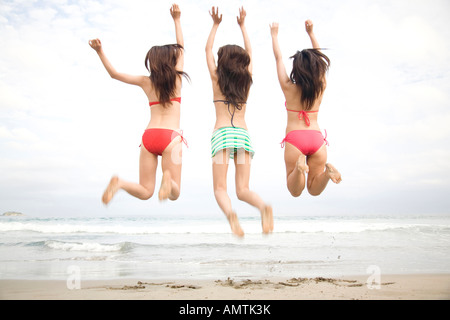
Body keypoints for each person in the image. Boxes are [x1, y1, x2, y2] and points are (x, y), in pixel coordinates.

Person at [89, 4, 189, 205]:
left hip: (149, 137)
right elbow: (181, 48)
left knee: (145, 191)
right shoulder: (177, 80)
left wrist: (99, 51)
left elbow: (114, 74)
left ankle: (120, 183)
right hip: (172, 138)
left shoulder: (146, 82)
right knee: (175, 194)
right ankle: (168, 182)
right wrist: (177, 20)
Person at [206, 6, 273, 237]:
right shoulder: (246, 81)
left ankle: (231, 215)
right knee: (243, 189)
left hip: (222, 133)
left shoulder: (216, 79)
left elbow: (206, 49)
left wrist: (215, 24)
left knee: (220, 188)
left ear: (221, 62)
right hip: (243, 134)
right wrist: (243, 25)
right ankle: (263, 207)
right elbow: (251, 53)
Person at [270, 20, 342, 198]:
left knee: (295, 190)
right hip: (317, 139)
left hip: (296, 139)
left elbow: (278, 58)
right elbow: (319, 59)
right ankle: (327, 173)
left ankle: (299, 169)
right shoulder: (321, 86)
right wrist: (311, 33)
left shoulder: (289, 87)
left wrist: (274, 35)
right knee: (313, 189)